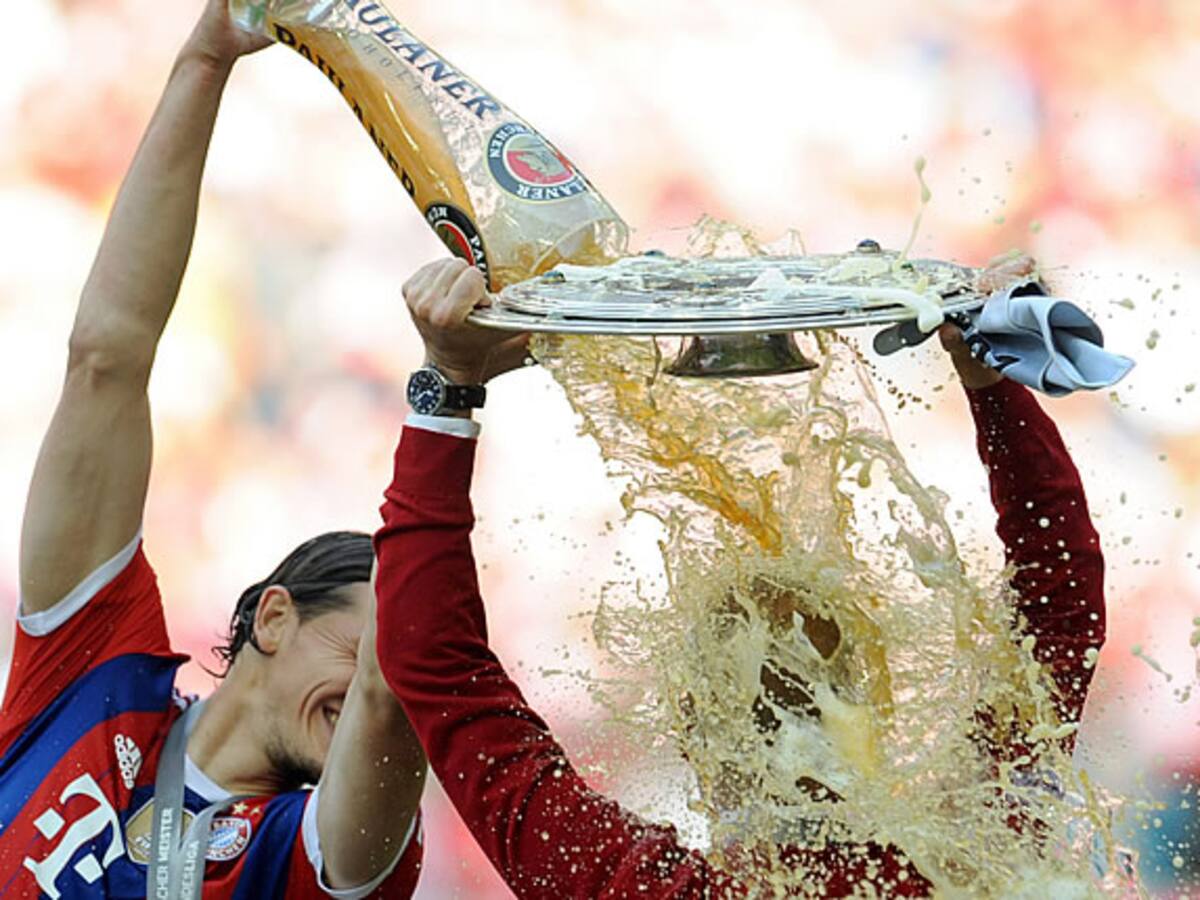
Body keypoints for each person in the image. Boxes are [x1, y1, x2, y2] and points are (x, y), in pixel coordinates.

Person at [371, 257, 1107, 897]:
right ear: (865, 688)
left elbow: (437, 668)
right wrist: (990, 380)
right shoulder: (967, 849)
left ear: (691, 720)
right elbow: (1058, 613)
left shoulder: (625, 883)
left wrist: (452, 379)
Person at [0, 3, 425, 896]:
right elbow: (105, 360)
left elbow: (391, 702)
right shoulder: (93, 674)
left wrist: (448, 396)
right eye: (364, 648)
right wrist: (207, 55)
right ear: (274, 618)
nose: (378, 693)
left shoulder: (325, 856)